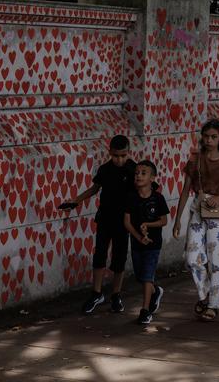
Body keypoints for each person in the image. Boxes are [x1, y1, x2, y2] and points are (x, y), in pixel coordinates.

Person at [60, 134, 136, 314]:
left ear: (128, 153)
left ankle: (116, 294)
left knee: (119, 258)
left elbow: (143, 191)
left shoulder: (133, 170)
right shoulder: (105, 169)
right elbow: (95, 189)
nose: (119, 159)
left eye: (123, 156)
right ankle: (96, 293)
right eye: (116, 155)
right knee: (100, 254)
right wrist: (76, 200)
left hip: (123, 221)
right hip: (105, 217)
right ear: (110, 152)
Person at [172, 119, 219, 321]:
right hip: (197, 210)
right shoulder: (195, 160)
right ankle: (207, 294)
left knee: (218, 261)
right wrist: (177, 220)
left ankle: (213, 304)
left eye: (214, 137)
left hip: (218, 214)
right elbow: (185, 191)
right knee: (193, 258)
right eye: (206, 136)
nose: (209, 140)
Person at [124, 160, 170, 325]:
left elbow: (163, 220)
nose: (139, 176)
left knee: (147, 276)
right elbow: (127, 222)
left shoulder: (158, 198)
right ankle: (156, 291)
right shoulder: (131, 197)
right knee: (140, 276)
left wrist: (148, 225)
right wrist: (139, 237)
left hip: (153, 244)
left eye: (144, 173)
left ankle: (145, 310)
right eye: (137, 173)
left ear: (152, 178)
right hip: (137, 244)